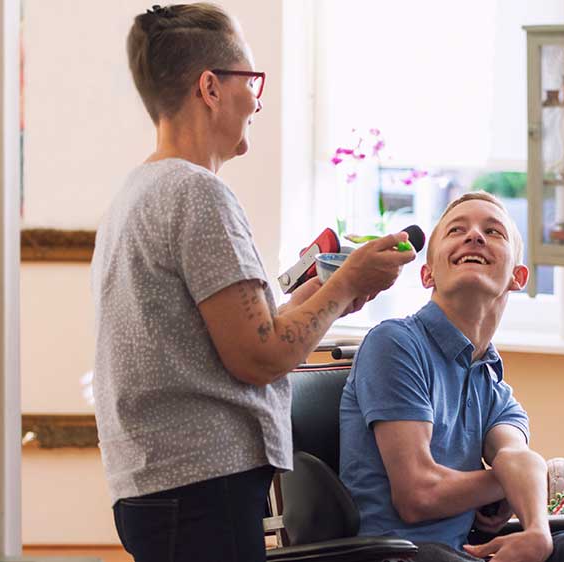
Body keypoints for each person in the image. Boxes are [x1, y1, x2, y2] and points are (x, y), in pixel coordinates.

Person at [91, 4, 415, 562]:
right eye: (252, 81)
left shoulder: (137, 193)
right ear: (210, 87)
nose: (258, 101)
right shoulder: (198, 193)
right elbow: (260, 357)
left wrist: (327, 294)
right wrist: (344, 284)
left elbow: (233, 337)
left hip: (159, 486)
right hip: (201, 487)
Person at [339, 192, 564, 562]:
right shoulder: (394, 343)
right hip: (400, 556)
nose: (475, 236)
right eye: (456, 230)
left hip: (463, 552)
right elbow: (417, 496)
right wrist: (508, 483)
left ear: (517, 277)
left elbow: (519, 457)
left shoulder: (494, 387)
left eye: (493, 231)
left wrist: (536, 531)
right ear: (427, 274)